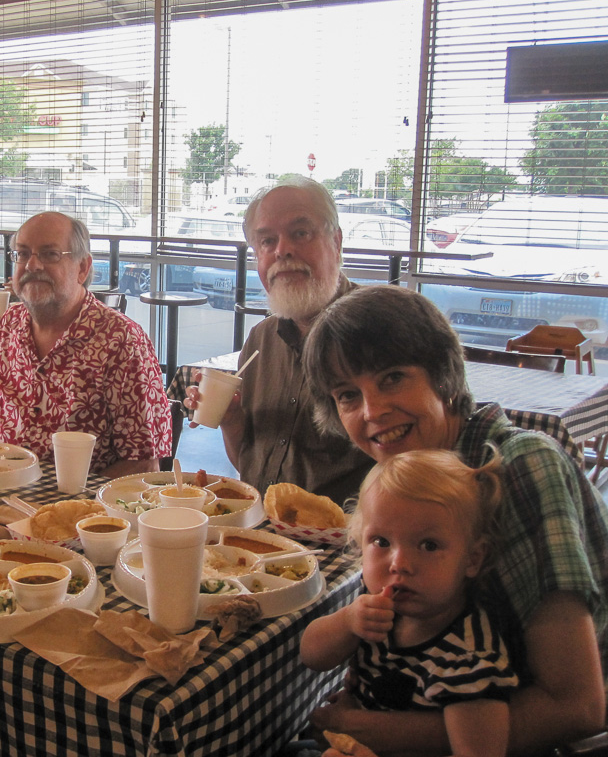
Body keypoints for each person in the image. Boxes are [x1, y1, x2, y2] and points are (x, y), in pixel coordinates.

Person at [301, 284, 608, 755]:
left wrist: (369, 727)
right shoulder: (408, 470)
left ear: (443, 376)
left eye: (392, 378)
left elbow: (578, 709)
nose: (372, 411)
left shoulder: (518, 467)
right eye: (347, 395)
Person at [301, 449, 519, 757]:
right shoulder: (377, 606)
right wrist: (348, 620)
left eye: (428, 545)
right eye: (382, 542)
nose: (399, 563)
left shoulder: (469, 661)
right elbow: (311, 655)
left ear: (473, 558)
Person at [184, 176, 373, 504]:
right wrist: (230, 420)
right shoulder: (262, 339)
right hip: (262, 530)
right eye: (267, 241)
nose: (282, 250)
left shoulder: (380, 329)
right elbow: (252, 468)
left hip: (347, 542)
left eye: (300, 233)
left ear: (337, 242)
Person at [0, 211, 171, 478]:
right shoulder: (10, 323)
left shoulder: (121, 340)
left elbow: (143, 464)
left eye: (50, 254)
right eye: (23, 254)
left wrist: (57, 509)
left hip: (77, 510)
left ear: (82, 268)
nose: (31, 266)